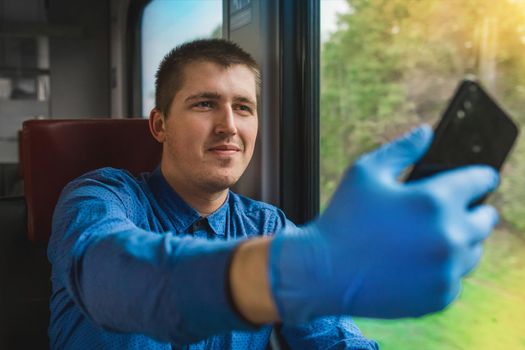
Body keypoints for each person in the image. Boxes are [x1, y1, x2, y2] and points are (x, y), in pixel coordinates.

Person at [48, 39, 499, 349]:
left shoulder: (270, 226)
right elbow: (114, 280)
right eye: (205, 103)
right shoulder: (98, 196)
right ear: (160, 124)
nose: (229, 125)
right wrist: (296, 270)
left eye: (243, 107)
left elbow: (335, 340)